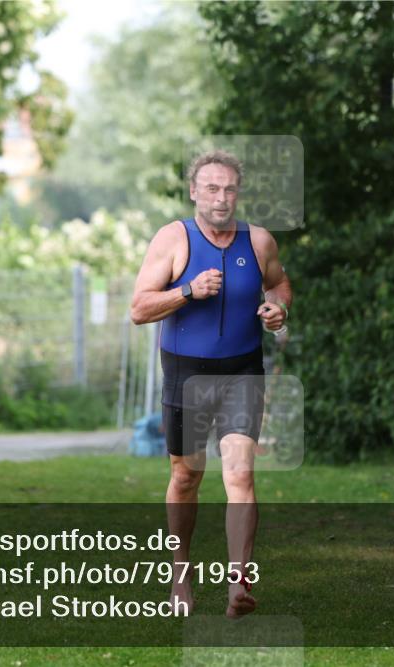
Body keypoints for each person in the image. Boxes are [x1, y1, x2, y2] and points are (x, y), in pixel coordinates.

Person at [130, 149, 292, 618]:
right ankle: (181, 571)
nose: (222, 198)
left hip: (243, 369)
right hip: (186, 372)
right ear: (194, 192)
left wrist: (280, 310)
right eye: (212, 188)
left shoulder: (259, 242)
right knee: (186, 476)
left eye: (230, 189)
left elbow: (280, 285)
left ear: (238, 193)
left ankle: (237, 585)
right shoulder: (173, 239)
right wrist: (187, 290)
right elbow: (139, 309)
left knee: (240, 474)